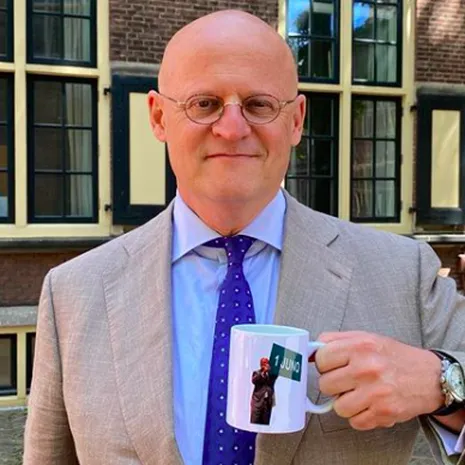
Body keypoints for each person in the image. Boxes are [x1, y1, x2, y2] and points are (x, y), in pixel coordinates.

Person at [23, 9, 465, 465]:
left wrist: (441, 383)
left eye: (259, 105)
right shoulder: (74, 293)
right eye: (204, 104)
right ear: (158, 117)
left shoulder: (402, 273)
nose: (233, 129)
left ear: (296, 120)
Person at [251, 358, 278, 425]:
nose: (265, 365)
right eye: (264, 363)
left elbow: (275, 375)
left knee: (265, 422)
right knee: (255, 421)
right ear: (261, 364)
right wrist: (263, 372)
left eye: (267, 363)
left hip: (267, 403)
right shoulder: (257, 373)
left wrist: (270, 369)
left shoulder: (271, 374)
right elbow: (254, 381)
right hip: (257, 402)